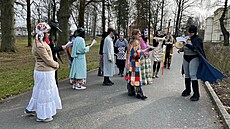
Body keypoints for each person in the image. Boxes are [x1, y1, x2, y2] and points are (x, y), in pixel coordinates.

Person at [24, 22, 62, 122]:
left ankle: (32, 109)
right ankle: (43, 116)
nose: (48, 34)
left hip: (42, 71)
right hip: (44, 71)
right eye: (47, 32)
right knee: (45, 93)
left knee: (39, 92)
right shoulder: (40, 45)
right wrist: (56, 64)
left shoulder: (39, 42)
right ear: (42, 33)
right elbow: (47, 59)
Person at [180, 25, 224, 101]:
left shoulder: (197, 39)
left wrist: (186, 44)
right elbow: (183, 47)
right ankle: (187, 90)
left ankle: (196, 94)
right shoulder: (186, 38)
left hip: (194, 57)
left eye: (192, 32)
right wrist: (181, 48)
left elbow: (196, 49)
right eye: (189, 32)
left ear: (195, 32)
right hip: (186, 57)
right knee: (187, 74)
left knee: (193, 74)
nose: (190, 33)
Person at [125, 29, 147, 100]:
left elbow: (128, 52)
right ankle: (139, 93)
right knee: (136, 77)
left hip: (131, 62)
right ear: (135, 35)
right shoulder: (136, 42)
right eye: (138, 34)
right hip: (135, 62)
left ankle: (131, 91)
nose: (140, 35)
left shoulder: (131, 42)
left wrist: (128, 61)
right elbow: (134, 53)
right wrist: (141, 53)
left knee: (131, 76)